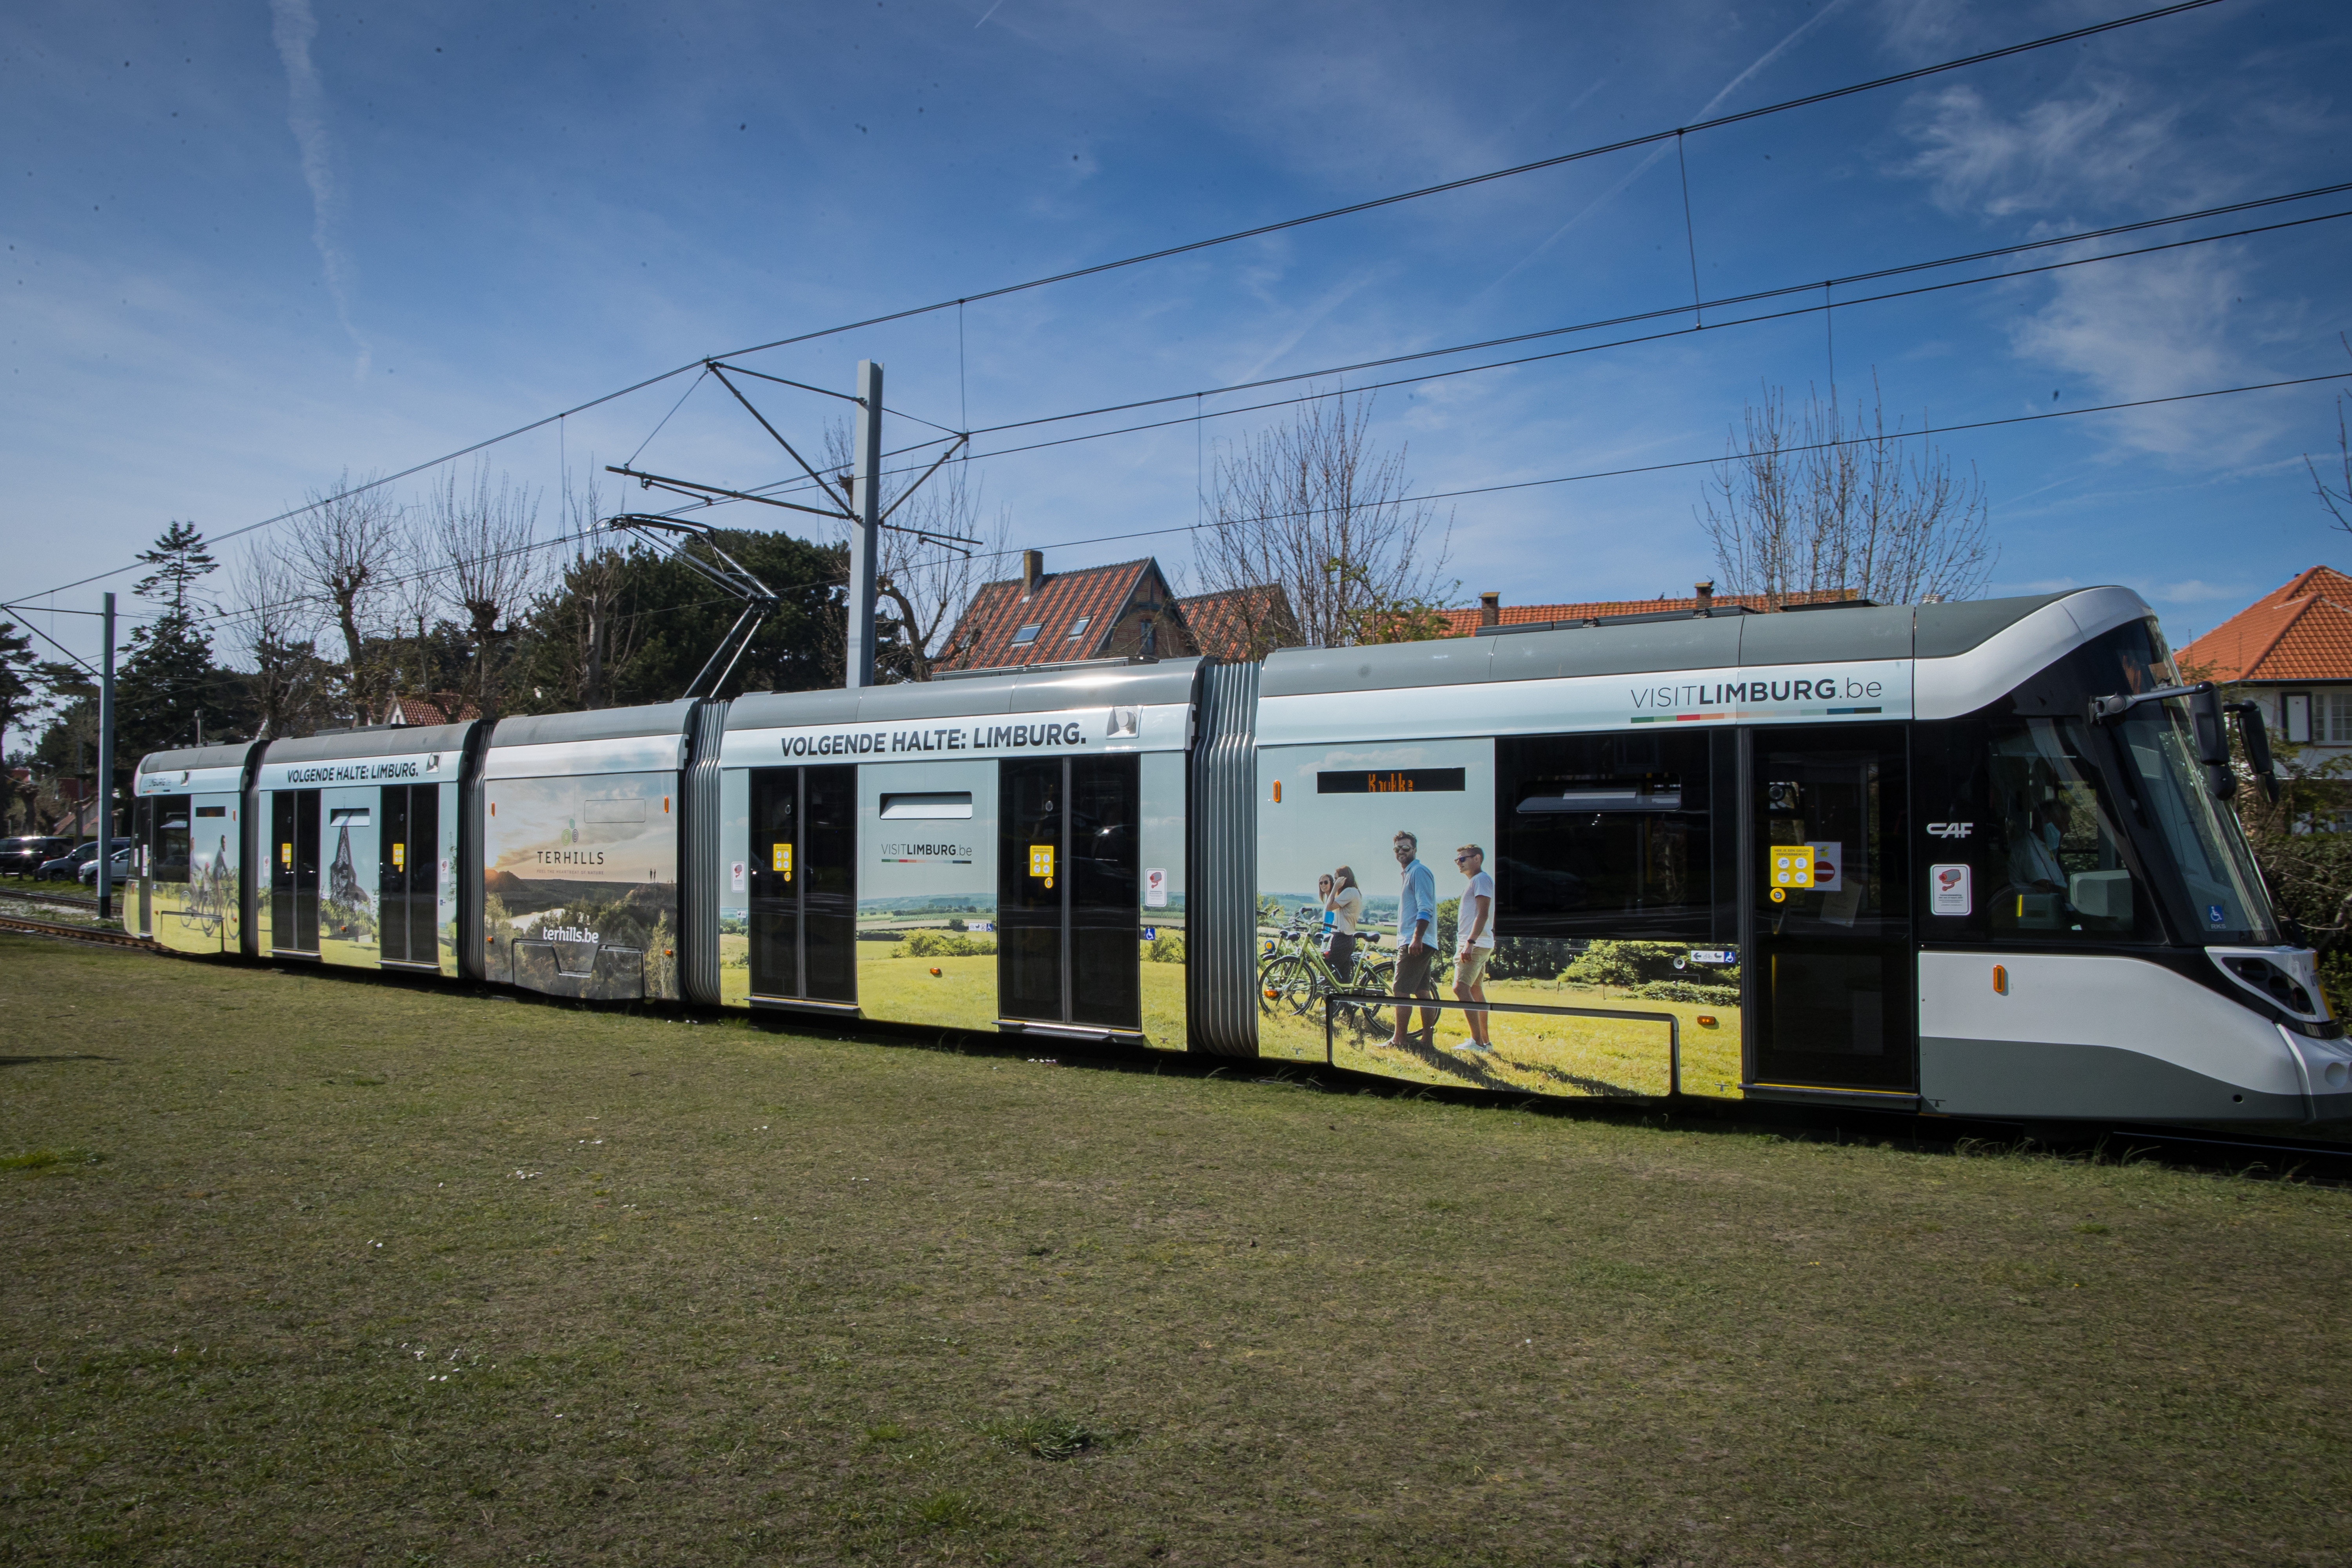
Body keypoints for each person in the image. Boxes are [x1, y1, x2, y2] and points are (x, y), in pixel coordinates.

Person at [1384, 831, 1439, 1050]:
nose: (1401, 852)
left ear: (1415, 850)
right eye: (1397, 849)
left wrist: (1416, 938)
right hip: (1420, 941)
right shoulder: (1410, 874)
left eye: (1405, 848)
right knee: (1422, 991)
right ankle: (1427, 1040)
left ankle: (1399, 1039)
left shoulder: (1418, 872)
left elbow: (1425, 908)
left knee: (1400, 989)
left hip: (1415, 942)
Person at [1451, 844, 1495, 1053]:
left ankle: (1476, 1043)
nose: (1458, 863)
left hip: (1474, 945)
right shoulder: (1477, 881)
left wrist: (1469, 943)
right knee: (1475, 989)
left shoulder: (1481, 880)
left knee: (1460, 988)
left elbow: (1483, 914)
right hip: (1477, 943)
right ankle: (1485, 1043)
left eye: (1463, 859)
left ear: (1477, 859)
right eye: (1457, 860)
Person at [1324, 864, 1363, 983]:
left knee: (1330, 974)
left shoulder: (1349, 892)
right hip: (1348, 938)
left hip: (1341, 938)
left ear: (1344, 879)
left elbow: (1329, 907)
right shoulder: (1355, 892)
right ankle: (1345, 1001)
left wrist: (1335, 888)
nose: (1334, 881)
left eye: (1336, 879)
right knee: (1343, 978)